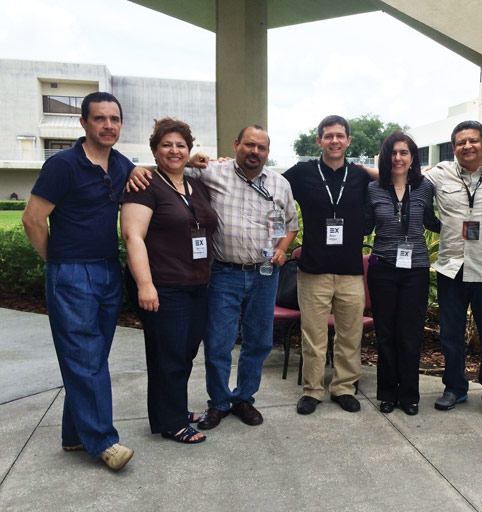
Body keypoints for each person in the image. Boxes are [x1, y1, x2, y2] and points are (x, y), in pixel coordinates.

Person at [22, 92, 135, 470]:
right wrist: (56, 260)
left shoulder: (121, 165)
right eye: (100, 118)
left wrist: (200, 163)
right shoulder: (63, 165)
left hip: (107, 270)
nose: (108, 125)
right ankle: (104, 441)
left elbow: (160, 174)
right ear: (83, 123)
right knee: (86, 357)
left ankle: (74, 434)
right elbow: (32, 219)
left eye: (114, 119)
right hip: (71, 272)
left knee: (92, 357)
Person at [187, 126, 299, 430]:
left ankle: (244, 398)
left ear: (268, 152)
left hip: (265, 274)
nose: (255, 152)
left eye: (261, 148)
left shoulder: (280, 184)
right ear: (236, 144)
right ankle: (219, 403)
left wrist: (282, 249)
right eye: (249, 145)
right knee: (218, 343)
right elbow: (171, 166)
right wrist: (192, 158)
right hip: (224, 272)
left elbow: (291, 225)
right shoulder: (212, 172)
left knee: (259, 342)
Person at [121, 118, 218, 444]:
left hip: (198, 284)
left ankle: (171, 407)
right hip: (163, 284)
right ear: (154, 150)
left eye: (180, 145)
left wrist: (190, 163)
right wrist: (145, 285)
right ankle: (171, 421)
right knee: (168, 354)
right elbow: (132, 236)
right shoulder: (144, 185)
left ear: (189, 150)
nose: (174, 151)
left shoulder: (195, 185)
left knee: (185, 352)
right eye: (166, 145)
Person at [284, 115, 377, 415]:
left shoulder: (361, 175)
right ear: (319, 141)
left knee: (350, 335)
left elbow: (397, 177)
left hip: (351, 271)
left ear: (349, 141)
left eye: (340, 135)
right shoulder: (302, 172)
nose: (334, 140)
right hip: (312, 270)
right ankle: (312, 390)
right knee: (313, 336)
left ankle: (344, 388)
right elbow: (267, 183)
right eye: (328, 136)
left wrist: (381, 170)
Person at [425, 120, 482, 422]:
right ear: (454, 148)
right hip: (451, 268)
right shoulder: (439, 174)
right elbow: (403, 179)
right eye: (461, 142)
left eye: (473, 141)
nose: (468, 146)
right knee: (450, 335)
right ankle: (454, 387)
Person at [364, 132, 440, 415]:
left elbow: (431, 221)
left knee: (410, 334)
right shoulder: (374, 189)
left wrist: (464, 226)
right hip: (382, 267)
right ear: (386, 157)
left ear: (412, 157)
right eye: (393, 153)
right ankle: (386, 393)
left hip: (416, 269)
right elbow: (365, 225)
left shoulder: (424, 188)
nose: (398, 158)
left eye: (404, 152)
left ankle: (409, 395)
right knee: (385, 334)